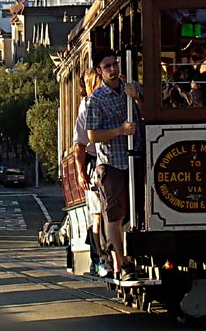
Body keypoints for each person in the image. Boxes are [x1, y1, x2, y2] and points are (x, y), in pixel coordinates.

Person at [85, 49, 142, 281]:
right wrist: (120, 131)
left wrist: (137, 97)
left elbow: (148, 112)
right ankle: (123, 261)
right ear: (99, 71)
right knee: (114, 215)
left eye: (115, 64)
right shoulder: (96, 100)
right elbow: (92, 135)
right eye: (107, 66)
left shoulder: (131, 88)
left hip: (137, 157)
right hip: (112, 164)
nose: (113, 70)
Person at [72, 67, 106, 276]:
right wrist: (81, 172)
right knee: (98, 215)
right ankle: (99, 256)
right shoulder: (87, 106)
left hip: (108, 161)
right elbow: (80, 144)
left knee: (105, 214)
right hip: (96, 164)